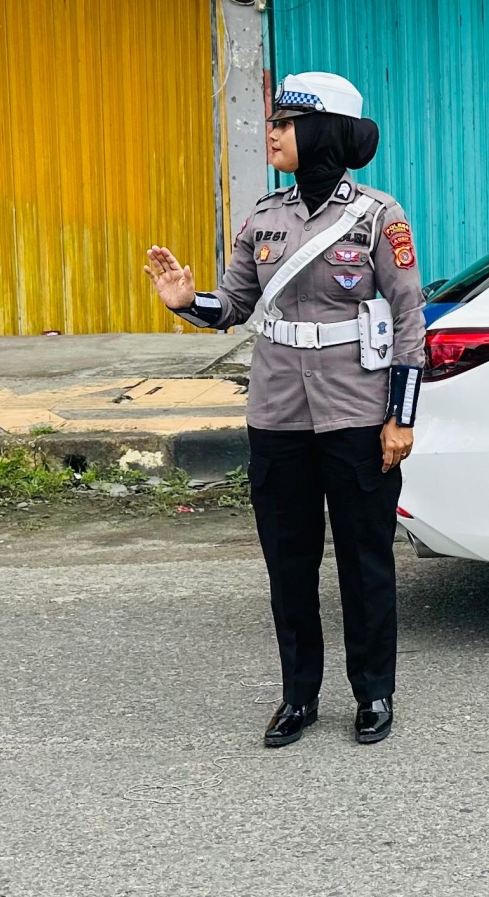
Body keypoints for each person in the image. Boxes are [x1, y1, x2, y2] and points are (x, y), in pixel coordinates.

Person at [141, 73, 425, 748]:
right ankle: (299, 697)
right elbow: (231, 306)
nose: (270, 130)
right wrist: (186, 301)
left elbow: (410, 319)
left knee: (365, 562)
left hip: (357, 412)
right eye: (271, 120)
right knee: (288, 564)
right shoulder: (263, 217)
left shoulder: (380, 217)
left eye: (285, 121)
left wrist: (402, 416)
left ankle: (374, 694)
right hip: (277, 415)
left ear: (323, 130)